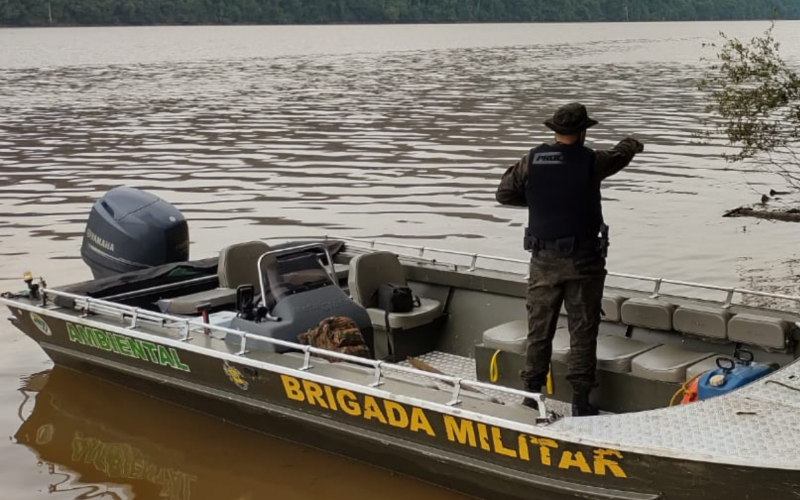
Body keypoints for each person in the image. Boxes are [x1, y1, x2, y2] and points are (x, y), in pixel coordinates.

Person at [495, 102, 644, 417]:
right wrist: (632, 142)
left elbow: (504, 194)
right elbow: (621, 155)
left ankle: (531, 397)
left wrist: (540, 200)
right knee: (583, 328)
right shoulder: (593, 161)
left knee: (539, 328)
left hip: (543, 259)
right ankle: (580, 403)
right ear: (584, 131)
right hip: (583, 261)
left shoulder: (531, 161)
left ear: (555, 131)